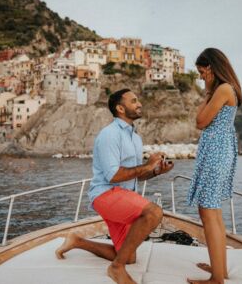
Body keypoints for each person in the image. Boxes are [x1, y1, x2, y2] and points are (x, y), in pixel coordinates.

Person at [56, 88, 174, 284]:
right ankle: (116, 268)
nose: (139, 104)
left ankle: (77, 241)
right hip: (106, 194)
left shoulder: (135, 137)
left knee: (129, 256)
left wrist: (155, 171)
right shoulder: (109, 134)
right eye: (134, 101)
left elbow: (135, 176)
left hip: (123, 195)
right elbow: (113, 176)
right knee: (154, 213)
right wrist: (146, 165)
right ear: (120, 108)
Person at [186, 48, 242, 284]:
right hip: (218, 152)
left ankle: (217, 278)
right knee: (212, 212)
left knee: (209, 213)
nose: (200, 77)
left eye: (201, 71)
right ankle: (221, 269)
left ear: (211, 67)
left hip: (216, 154)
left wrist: (207, 92)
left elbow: (200, 121)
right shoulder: (225, 89)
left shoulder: (222, 89)